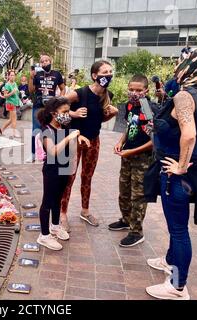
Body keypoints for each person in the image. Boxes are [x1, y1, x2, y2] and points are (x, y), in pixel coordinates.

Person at [144, 48, 197, 300]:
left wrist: (180, 166)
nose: (178, 65)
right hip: (192, 168)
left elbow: (190, 134)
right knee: (178, 226)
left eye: (182, 62)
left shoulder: (186, 96)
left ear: (191, 67)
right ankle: (169, 262)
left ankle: (177, 285)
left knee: (178, 229)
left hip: (179, 173)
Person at [60, 60, 118, 231]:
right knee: (68, 177)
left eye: (110, 72)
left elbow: (99, 119)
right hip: (74, 140)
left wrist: (111, 115)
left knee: (87, 177)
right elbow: (57, 107)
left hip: (93, 141)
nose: (108, 75)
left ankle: (84, 211)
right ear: (95, 75)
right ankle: (62, 214)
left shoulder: (107, 95)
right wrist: (74, 113)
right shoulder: (80, 93)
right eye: (104, 72)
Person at [36, 97, 90, 250]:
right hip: (52, 170)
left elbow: (73, 135)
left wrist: (80, 136)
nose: (68, 114)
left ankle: (54, 226)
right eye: (65, 111)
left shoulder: (63, 126)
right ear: (54, 113)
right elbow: (52, 151)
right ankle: (44, 236)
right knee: (47, 202)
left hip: (64, 168)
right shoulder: (46, 131)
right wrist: (69, 138)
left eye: (68, 111)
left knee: (58, 199)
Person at [108, 74, 155, 247]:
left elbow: (154, 140)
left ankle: (136, 232)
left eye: (138, 90)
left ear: (146, 91)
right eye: (131, 89)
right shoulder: (129, 106)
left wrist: (132, 151)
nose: (134, 93)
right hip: (127, 154)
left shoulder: (149, 109)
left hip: (142, 158)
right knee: (124, 190)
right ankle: (126, 219)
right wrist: (121, 142)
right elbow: (130, 126)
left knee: (138, 195)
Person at [28, 54, 66, 162]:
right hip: (39, 105)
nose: (44, 63)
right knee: (36, 129)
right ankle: (33, 154)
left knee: (51, 128)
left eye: (46, 61)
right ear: (40, 64)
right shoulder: (37, 74)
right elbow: (31, 90)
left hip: (51, 105)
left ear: (50, 62)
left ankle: (49, 152)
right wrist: (31, 78)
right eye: (42, 61)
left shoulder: (57, 74)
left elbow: (62, 88)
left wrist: (60, 99)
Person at [0, 70, 20, 138]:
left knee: (11, 119)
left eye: (13, 75)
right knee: (14, 119)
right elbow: (5, 95)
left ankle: (2, 129)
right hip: (10, 103)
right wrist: (12, 92)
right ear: (8, 76)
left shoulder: (15, 83)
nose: (12, 76)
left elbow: (16, 93)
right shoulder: (7, 85)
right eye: (11, 75)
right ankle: (14, 133)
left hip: (14, 103)